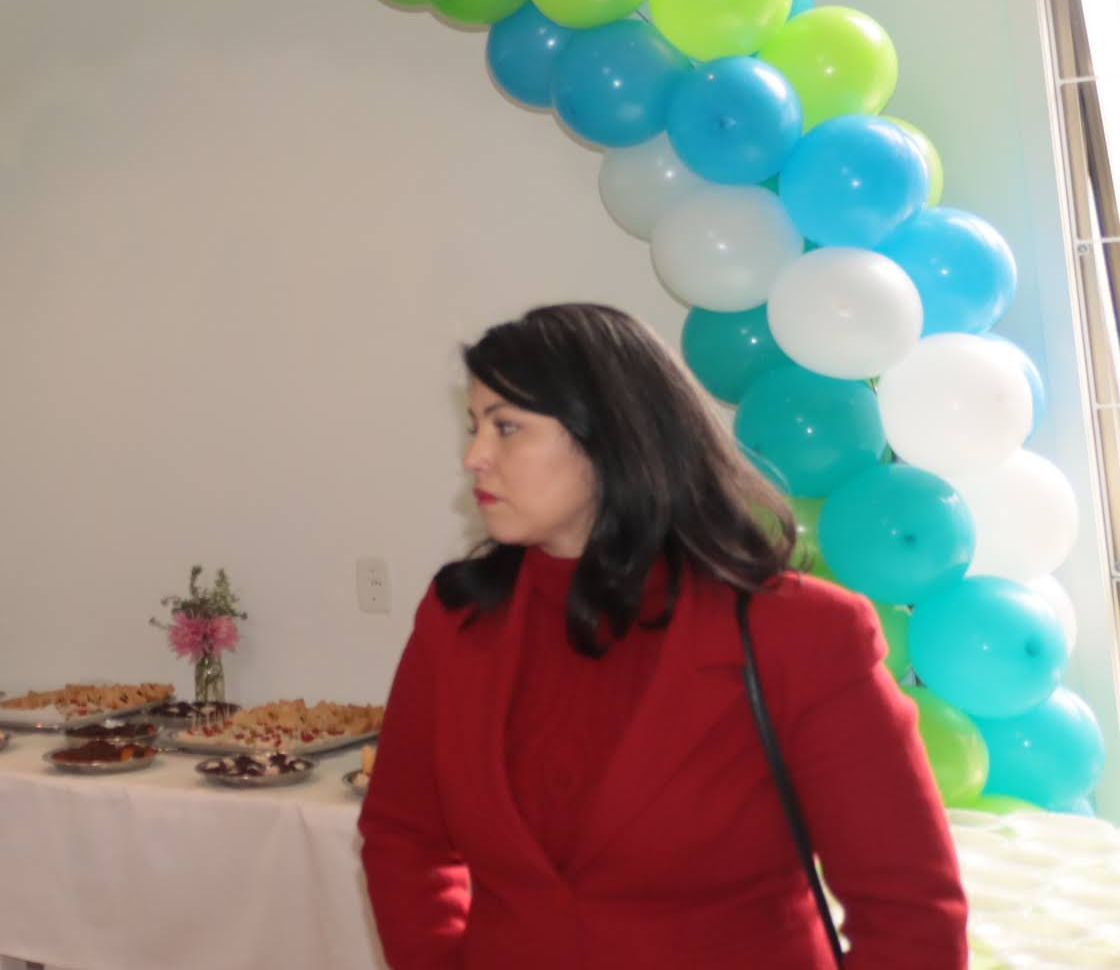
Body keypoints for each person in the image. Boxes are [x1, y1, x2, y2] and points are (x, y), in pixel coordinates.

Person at [358, 304, 966, 969]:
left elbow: (911, 913)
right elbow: (403, 834)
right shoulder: (458, 620)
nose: (473, 457)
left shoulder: (799, 633)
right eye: (474, 427)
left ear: (611, 435)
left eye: (506, 427)